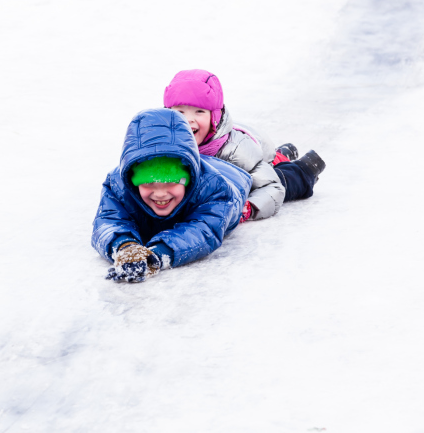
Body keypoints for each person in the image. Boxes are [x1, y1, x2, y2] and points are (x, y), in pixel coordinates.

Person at [92, 107, 252, 282]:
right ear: (132, 178)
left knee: (272, 180)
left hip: (233, 174)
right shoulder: (118, 185)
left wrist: (158, 254)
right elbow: (109, 221)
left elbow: (203, 229)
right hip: (196, 164)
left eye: (171, 182)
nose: (160, 193)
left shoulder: (215, 189)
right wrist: (125, 246)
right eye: (148, 182)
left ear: (189, 177)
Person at [163, 69, 325, 221]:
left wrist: (248, 207)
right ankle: (284, 153)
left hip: (257, 151)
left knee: (281, 180)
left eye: (199, 111)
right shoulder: (163, 142)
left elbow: (272, 187)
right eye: (180, 112)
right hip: (253, 156)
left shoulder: (234, 150)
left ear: (215, 117)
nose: (188, 120)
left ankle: (305, 168)